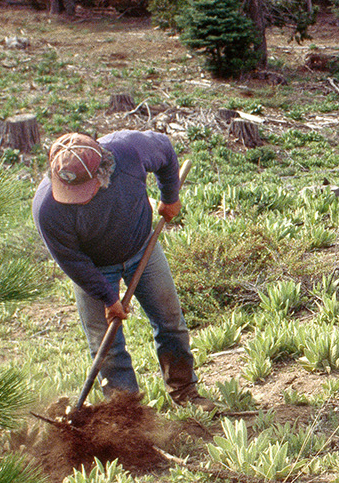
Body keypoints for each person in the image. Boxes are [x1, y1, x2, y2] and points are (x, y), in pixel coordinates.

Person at [33, 129, 213, 410]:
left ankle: (185, 392)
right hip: (92, 268)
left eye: (81, 190)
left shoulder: (129, 151)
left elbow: (165, 150)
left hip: (142, 248)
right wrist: (108, 297)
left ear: (104, 172)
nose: (73, 198)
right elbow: (71, 260)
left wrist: (170, 196)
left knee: (170, 322)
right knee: (107, 347)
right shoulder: (47, 208)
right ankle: (127, 415)